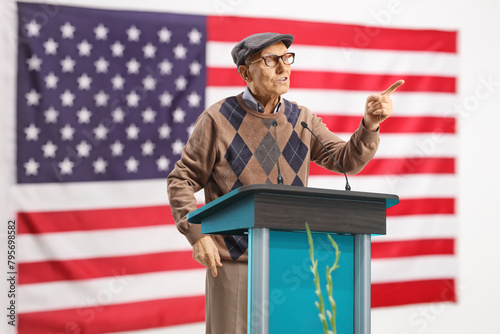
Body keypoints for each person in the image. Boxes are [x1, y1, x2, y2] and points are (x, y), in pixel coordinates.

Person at [167, 32, 403, 333]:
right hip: (235, 261)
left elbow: (346, 161)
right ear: (245, 72)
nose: (283, 68)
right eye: (270, 60)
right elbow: (181, 179)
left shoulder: (302, 119)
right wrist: (197, 235)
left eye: (286, 58)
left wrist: (369, 125)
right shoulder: (217, 119)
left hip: (292, 261)